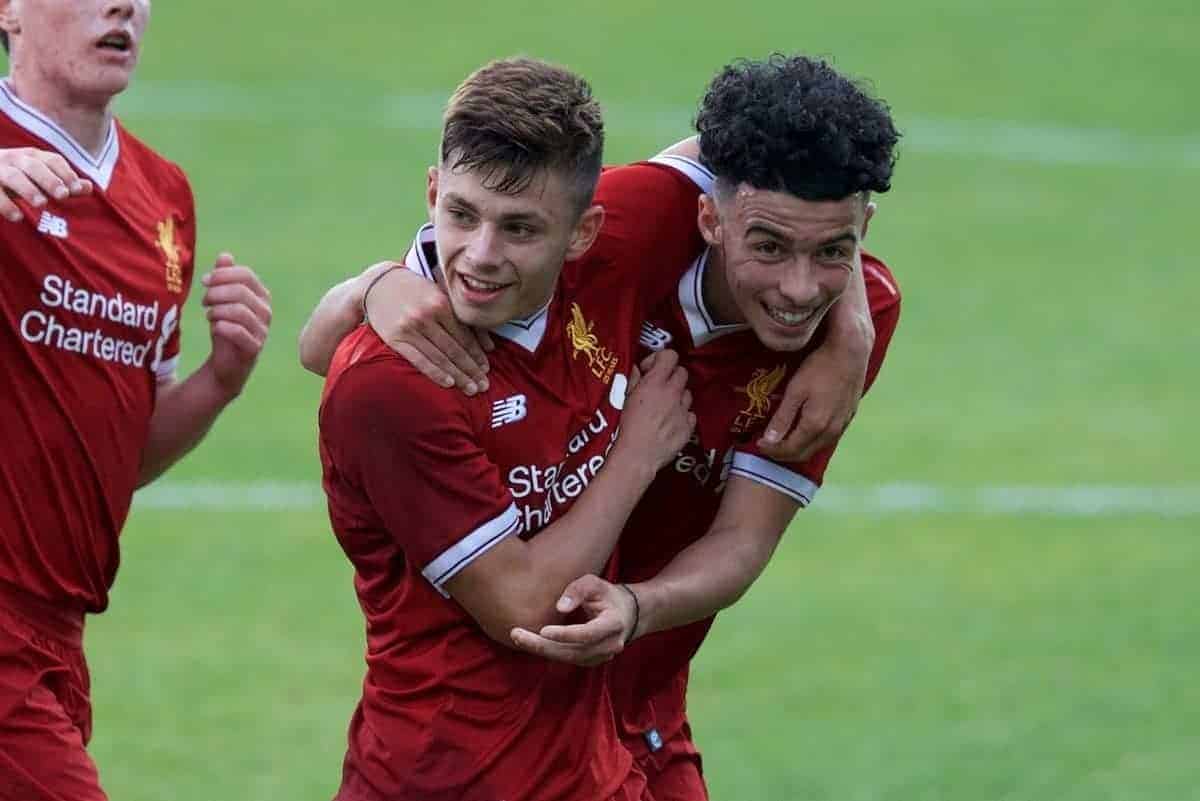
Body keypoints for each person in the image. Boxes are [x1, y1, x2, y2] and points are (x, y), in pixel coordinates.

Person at [304, 54, 901, 801]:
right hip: (469, 752)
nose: (798, 287)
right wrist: (374, 284)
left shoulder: (853, 315)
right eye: (770, 247)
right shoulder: (623, 225)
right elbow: (332, 352)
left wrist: (849, 324)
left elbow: (745, 537)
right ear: (711, 219)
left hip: (635, 698)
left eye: (832, 254)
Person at [318, 56, 710, 801]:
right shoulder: (393, 381)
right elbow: (524, 607)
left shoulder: (617, 248)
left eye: (521, 228)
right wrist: (637, 451)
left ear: (585, 231)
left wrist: (850, 313)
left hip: (594, 771)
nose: (481, 255)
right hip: (445, 780)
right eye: (461, 213)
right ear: (432, 191)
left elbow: (768, 150)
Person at [0, 2, 272, 799]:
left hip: (58, 628)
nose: (123, 6)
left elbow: (128, 450)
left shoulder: (162, 197)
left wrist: (221, 379)